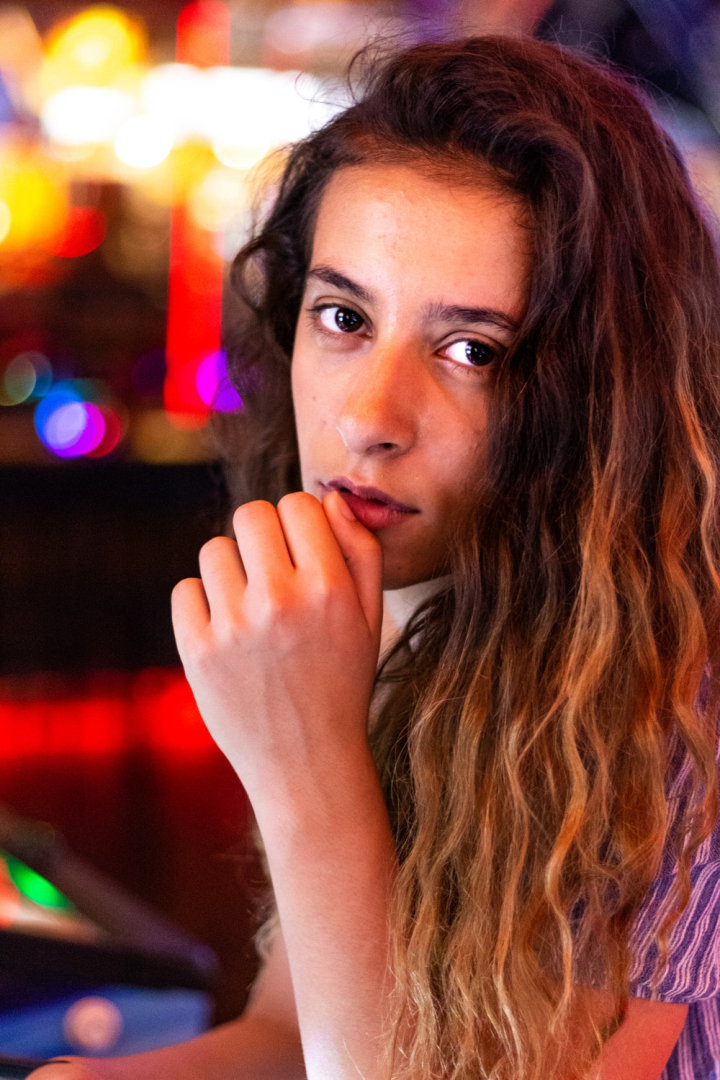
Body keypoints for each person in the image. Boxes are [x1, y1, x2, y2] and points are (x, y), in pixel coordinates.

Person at [31, 34, 720, 1080]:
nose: (369, 417)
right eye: (345, 317)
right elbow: (290, 1036)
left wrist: (306, 770)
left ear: (601, 399)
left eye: (472, 350)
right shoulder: (410, 608)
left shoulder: (679, 718)